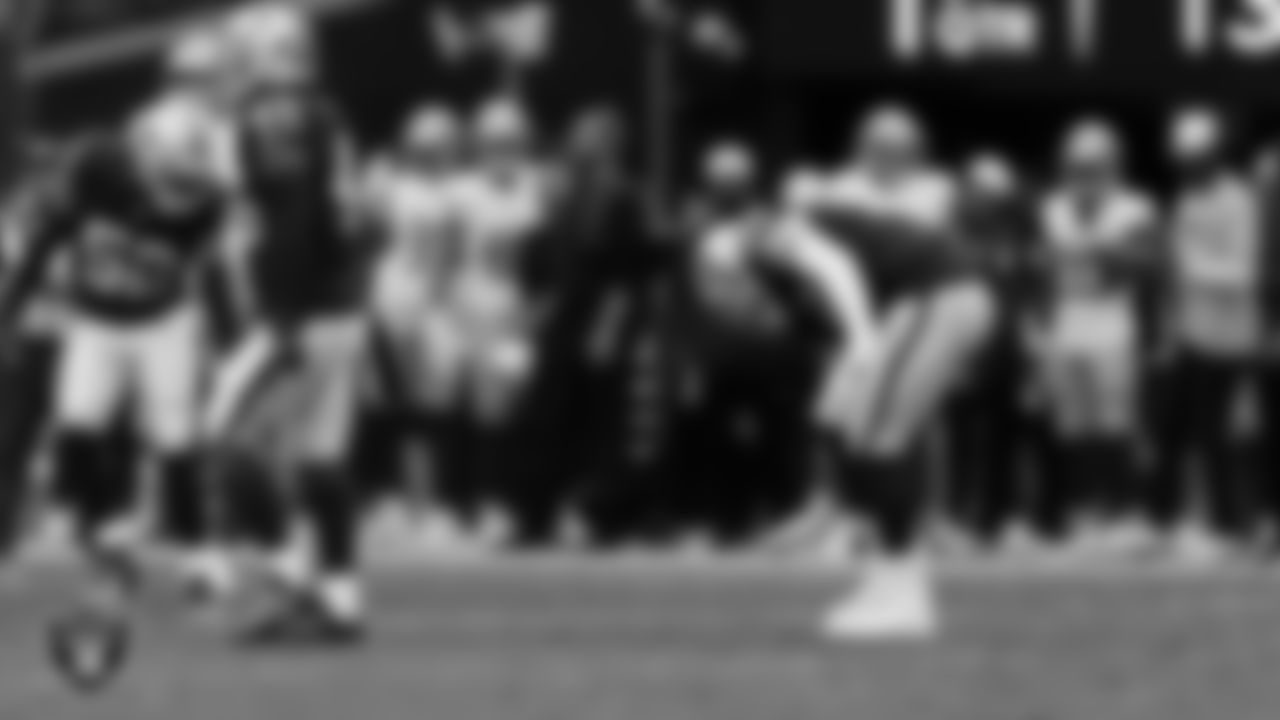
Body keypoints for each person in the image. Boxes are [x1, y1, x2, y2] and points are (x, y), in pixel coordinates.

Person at [0, 98, 231, 620]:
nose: (179, 194)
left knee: (176, 440)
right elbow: (44, 242)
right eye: (170, 177)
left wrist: (226, 338)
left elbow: (208, 274)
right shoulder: (96, 169)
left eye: (188, 179)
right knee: (78, 425)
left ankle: (202, 562)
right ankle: (109, 534)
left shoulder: (208, 201)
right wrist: (9, 312)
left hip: (164, 319)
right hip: (96, 318)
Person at [200, 2, 372, 645]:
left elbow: (296, 223)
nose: (229, 68)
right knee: (322, 463)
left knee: (229, 441)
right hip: (342, 306)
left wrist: (284, 313)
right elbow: (345, 219)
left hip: (300, 312)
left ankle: (290, 575)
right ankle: (341, 601)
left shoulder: (270, 119)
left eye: (237, 54)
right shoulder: (327, 116)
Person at [427, 97, 552, 549]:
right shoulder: (460, 192)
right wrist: (440, 315)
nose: (503, 148)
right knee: (457, 411)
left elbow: (544, 260)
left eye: (511, 140)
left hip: (513, 310)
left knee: (503, 416)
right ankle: (452, 507)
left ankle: (498, 505)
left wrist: (538, 311)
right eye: (495, 140)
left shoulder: (536, 188)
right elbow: (444, 258)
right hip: (466, 306)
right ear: (480, 143)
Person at [1030, 120, 1158, 553]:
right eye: (1079, 167)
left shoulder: (1134, 208)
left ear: (1113, 166)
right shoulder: (1051, 208)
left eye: (1095, 167)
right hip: (1066, 322)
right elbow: (1042, 272)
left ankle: (1122, 514)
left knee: (1114, 425)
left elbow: (1144, 266)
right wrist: (1038, 327)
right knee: (1073, 427)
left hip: (1112, 323)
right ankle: (1084, 514)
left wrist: (1103, 249)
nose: (1086, 176)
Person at [1153, 107, 1263, 560]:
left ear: (1215, 155)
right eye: (1184, 158)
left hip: (1231, 340)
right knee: (1179, 434)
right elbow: (1176, 277)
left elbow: (1242, 273)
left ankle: (1234, 528)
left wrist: (1187, 262)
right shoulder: (1186, 200)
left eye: (1196, 157)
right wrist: (1168, 331)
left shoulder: (1238, 200)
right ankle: (1188, 522)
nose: (1189, 166)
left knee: (1221, 436)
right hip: (1192, 336)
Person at [362, 102, 470, 541]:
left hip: (425, 305)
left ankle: (419, 502)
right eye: (428, 147)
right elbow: (369, 245)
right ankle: (393, 500)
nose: (434, 155)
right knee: (395, 407)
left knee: (426, 409)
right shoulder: (391, 187)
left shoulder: (452, 192)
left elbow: (452, 256)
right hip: (394, 299)